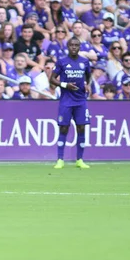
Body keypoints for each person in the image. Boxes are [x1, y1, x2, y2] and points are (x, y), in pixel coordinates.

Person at [49, 37, 91, 170]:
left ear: (79, 47)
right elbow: (52, 79)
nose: (74, 47)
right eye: (71, 45)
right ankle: (60, 159)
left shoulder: (84, 62)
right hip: (66, 100)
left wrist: (87, 85)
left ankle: (80, 159)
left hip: (80, 100)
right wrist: (65, 85)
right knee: (64, 128)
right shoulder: (62, 62)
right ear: (68, 46)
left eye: (76, 45)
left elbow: (88, 76)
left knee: (81, 128)